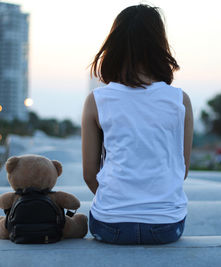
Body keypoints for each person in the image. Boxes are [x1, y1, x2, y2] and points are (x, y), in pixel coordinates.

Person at [81, 4, 193, 245]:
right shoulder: (180, 101)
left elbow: (90, 174)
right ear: (160, 45)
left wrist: (120, 206)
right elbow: (180, 170)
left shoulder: (96, 101)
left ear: (114, 46)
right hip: (167, 227)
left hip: (109, 226)